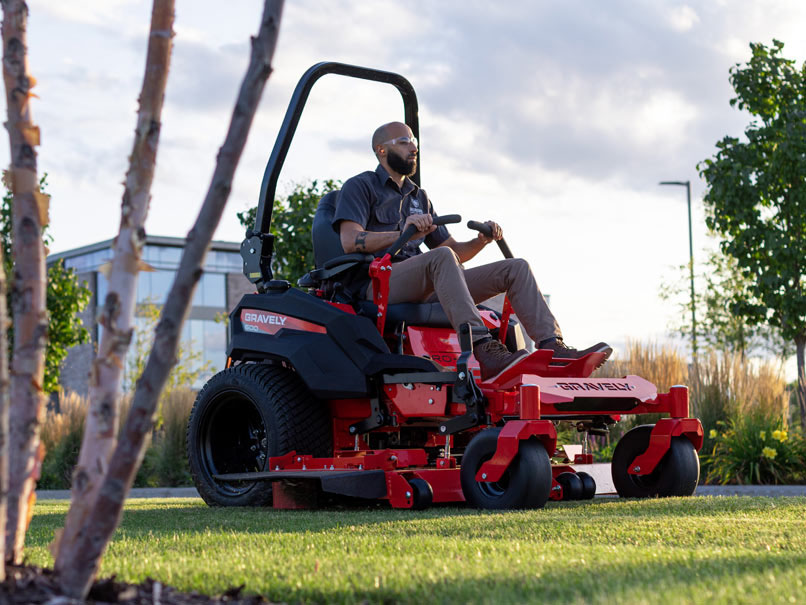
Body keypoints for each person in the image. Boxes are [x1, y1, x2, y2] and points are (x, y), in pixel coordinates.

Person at [333, 121, 612, 381]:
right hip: (380, 282)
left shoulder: (420, 197)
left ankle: (554, 349)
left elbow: (453, 251)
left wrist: (481, 241)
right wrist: (403, 233)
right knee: (441, 258)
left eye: (414, 141)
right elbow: (350, 240)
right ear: (382, 150)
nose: (414, 147)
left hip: (426, 281)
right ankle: (484, 348)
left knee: (516, 267)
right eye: (404, 141)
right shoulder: (360, 186)